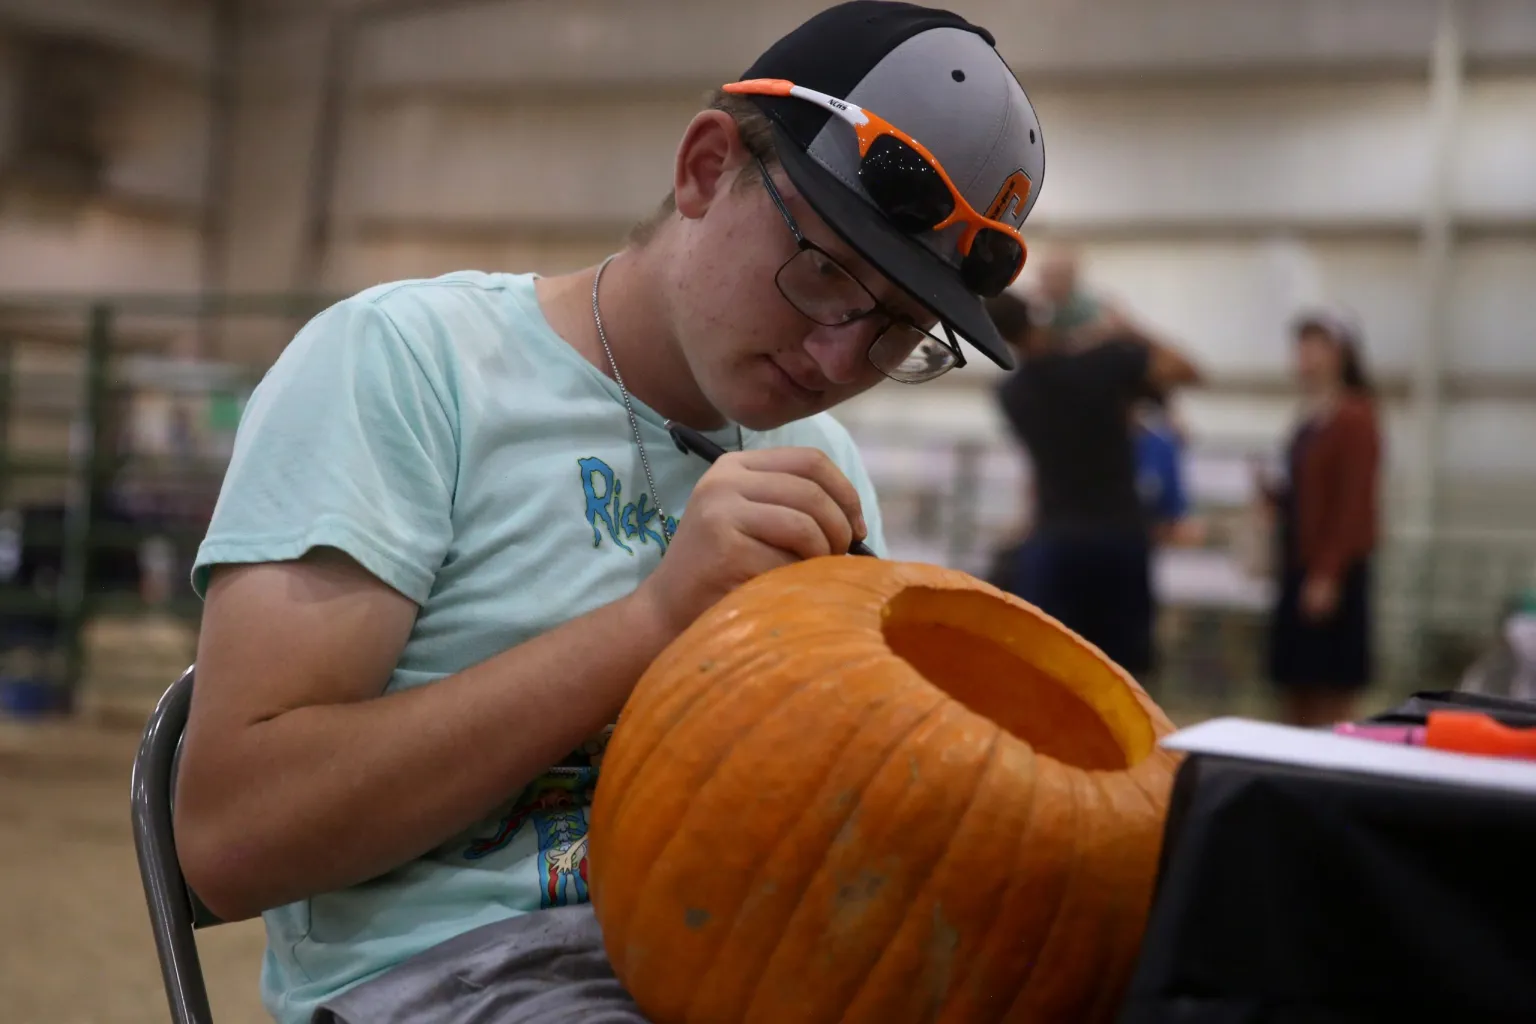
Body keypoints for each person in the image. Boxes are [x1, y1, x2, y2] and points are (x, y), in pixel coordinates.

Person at [171, 5, 1047, 1023]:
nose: (839, 362)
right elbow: (235, 839)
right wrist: (652, 623)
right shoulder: (408, 366)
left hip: (735, 974)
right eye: (824, 273)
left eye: (900, 331)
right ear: (706, 168)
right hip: (458, 983)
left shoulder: (819, 464)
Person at [985, 290, 1201, 681]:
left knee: (1050, 667)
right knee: (1123, 675)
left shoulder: (1011, 394)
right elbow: (1189, 371)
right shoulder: (1105, 363)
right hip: (1119, 536)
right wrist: (1126, 329)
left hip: (1056, 539)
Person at [1261, 309, 1382, 727]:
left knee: (1330, 685)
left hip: (1332, 569)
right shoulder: (1307, 416)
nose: (1305, 356)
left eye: (1317, 346)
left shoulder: (1354, 417)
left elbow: (1353, 501)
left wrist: (1328, 573)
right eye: (1301, 346)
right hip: (1298, 562)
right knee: (1295, 682)